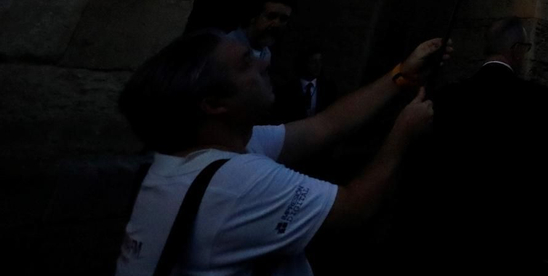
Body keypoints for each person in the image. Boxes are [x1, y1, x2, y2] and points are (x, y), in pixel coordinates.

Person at [116, 31, 445, 276]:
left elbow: (324, 127)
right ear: (215, 105)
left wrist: (401, 75)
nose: (264, 62)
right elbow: (355, 209)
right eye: (246, 63)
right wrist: (404, 133)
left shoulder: (202, 154)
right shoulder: (237, 183)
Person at [424, 18, 548, 272]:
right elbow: (546, 175)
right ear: (517, 49)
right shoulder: (535, 100)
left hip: (452, 234)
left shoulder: (450, 97)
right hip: (512, 238)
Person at [226, 0, 292, 69]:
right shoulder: (226, 46)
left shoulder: (266, 54)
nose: (277, 24)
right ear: (254, 17)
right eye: (271, 16)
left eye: (283, 19)